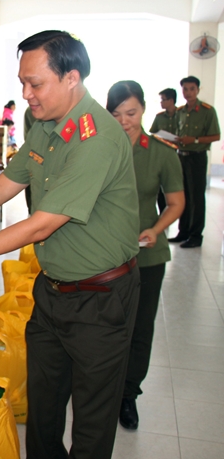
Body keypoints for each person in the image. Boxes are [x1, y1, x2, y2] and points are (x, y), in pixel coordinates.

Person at [0, 30, 141, 459]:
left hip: (100, 298)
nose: (26, 94)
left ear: (71, 78)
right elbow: (5, 184)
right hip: (52, 292)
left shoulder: (97, 138)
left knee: (92, 420)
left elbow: (40, 226)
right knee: (43, 410)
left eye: (36, 83)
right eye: (22, 82)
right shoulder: (45, 126)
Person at [107, 81, 184, 431]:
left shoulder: (161, 153)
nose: (124, 121)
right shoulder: (98, 150)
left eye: (132, 113)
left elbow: (176, 202)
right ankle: (100, 390)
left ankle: (127, 395)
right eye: (117, 114)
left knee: (139, 328)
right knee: (103, 326)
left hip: (146, 257)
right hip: (102, 256)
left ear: (144, 111)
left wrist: (156, 228)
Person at [168, 76, 220, 248]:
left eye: (191, 89)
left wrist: (195, 140)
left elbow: (216, 135)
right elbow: (179, 134)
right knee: (183, 195)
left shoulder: (207, 111)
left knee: (196, 197)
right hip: (181, 156)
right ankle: (183, 232)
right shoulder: (181, 112)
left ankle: (196, 235)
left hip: (197, 157)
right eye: (185, 89)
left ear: (198, 90)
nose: (188, 92)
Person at [149, 88, 179, 213]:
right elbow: (153, 133)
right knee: (159, 187)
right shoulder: (159, 117)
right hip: (161, 155)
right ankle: (162, 212)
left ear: (171, 100)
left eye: (163, 100)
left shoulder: (182, 114)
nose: (161, 103)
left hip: (179, 155)